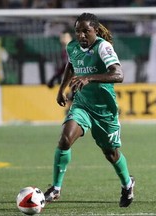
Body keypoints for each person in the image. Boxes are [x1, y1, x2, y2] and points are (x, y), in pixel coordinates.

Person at [44, 12, 135, 208]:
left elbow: (118, 74)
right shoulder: (72, 47)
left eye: (86, 31)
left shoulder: (103, 46)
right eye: (78, 32)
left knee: (110, 153)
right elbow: (70, 64)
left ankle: (127, 184)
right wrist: (62, 89)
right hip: (82, 105)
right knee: (65, 138)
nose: (82, 36)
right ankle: (56, 188)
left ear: (95, 30)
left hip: (104, 110)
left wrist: (90, 78)